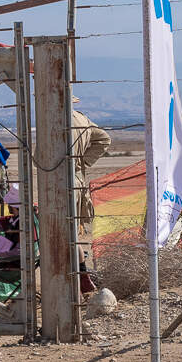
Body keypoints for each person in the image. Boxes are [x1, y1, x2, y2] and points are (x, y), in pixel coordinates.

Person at [70, 99, 112, 274]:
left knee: (64, 232)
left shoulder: (53, 121)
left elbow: (38, 158)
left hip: (59, 181)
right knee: (74, 233)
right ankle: (80, 276)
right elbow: (104, 138)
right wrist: (83, 162)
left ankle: (78, 276)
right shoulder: (81, 119)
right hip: (77, 179)